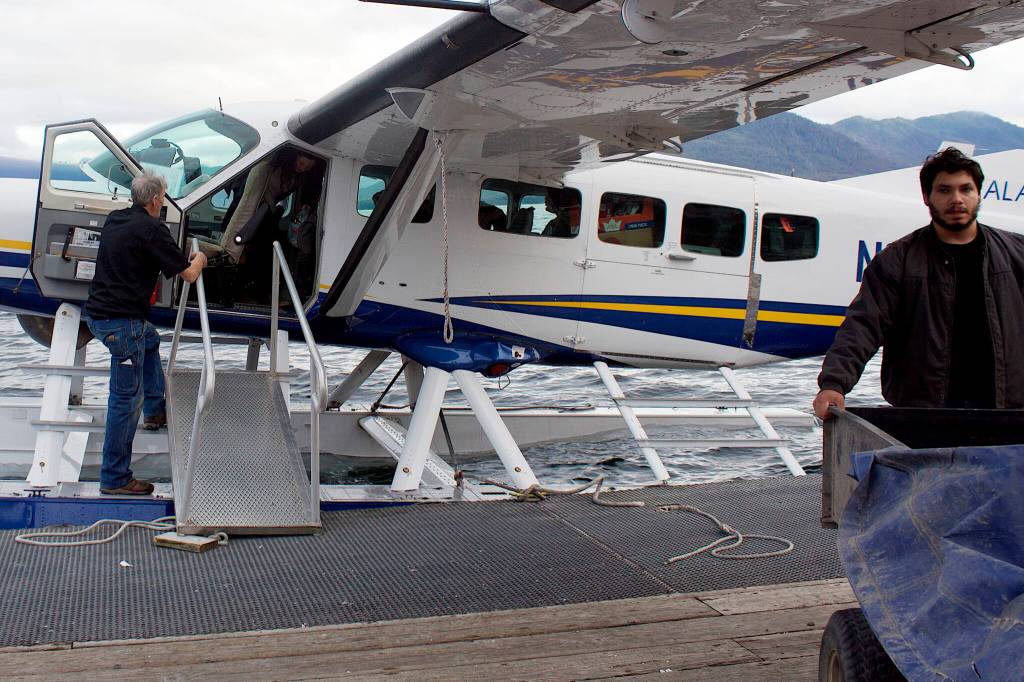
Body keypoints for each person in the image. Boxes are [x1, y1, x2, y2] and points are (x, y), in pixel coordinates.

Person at [813, 147, 1024, 419]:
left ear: (978, 194)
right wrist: (833, 384)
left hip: (1009, 416)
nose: (957, 199)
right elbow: (863, 325)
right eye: (945, 190)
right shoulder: (896, 260)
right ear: (927, 197)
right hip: (923, 417)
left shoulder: (1017, 255)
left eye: (965, 189)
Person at [83, 171, 207, 495]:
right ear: (155, 200)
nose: (163, 202)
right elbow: (190, 274)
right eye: (163, 197)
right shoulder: (153, 229)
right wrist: (202, 257)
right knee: (124, 400)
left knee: (150, 339)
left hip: (97, 316)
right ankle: (115, 478)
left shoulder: (115, 219)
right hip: (122, 326)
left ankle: (155, 410)